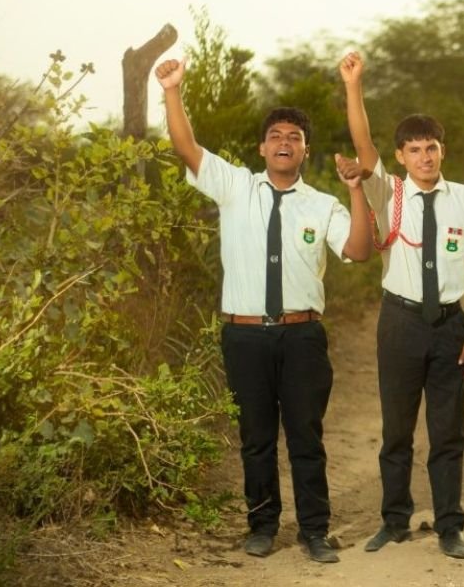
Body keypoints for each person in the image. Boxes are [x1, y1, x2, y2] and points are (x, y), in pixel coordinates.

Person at [153, 58, 373, 564]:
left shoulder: (322, 205)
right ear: (261, 147)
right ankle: (262, 525)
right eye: (275, 135)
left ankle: (315, 531)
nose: (284, 142)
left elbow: (360, 250)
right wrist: (172, 91)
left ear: (305, 150)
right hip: (246, 336)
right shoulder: (235, 187)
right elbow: (186, 147)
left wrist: (356, 189)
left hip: (301, 337)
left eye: (294, 136)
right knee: (255, 438)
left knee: (305, 437)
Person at [338, 51, 464, 560]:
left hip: (451, 324)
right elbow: (363, 144)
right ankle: (395, 519)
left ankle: (450, 524)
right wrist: (354, 84)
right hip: (401, 321)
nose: (425, 157)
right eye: (414, 150)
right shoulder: (390, 192)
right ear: (401, 156)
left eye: (431, 148)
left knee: (448, 431)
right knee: (396, 429)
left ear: (442, 151)